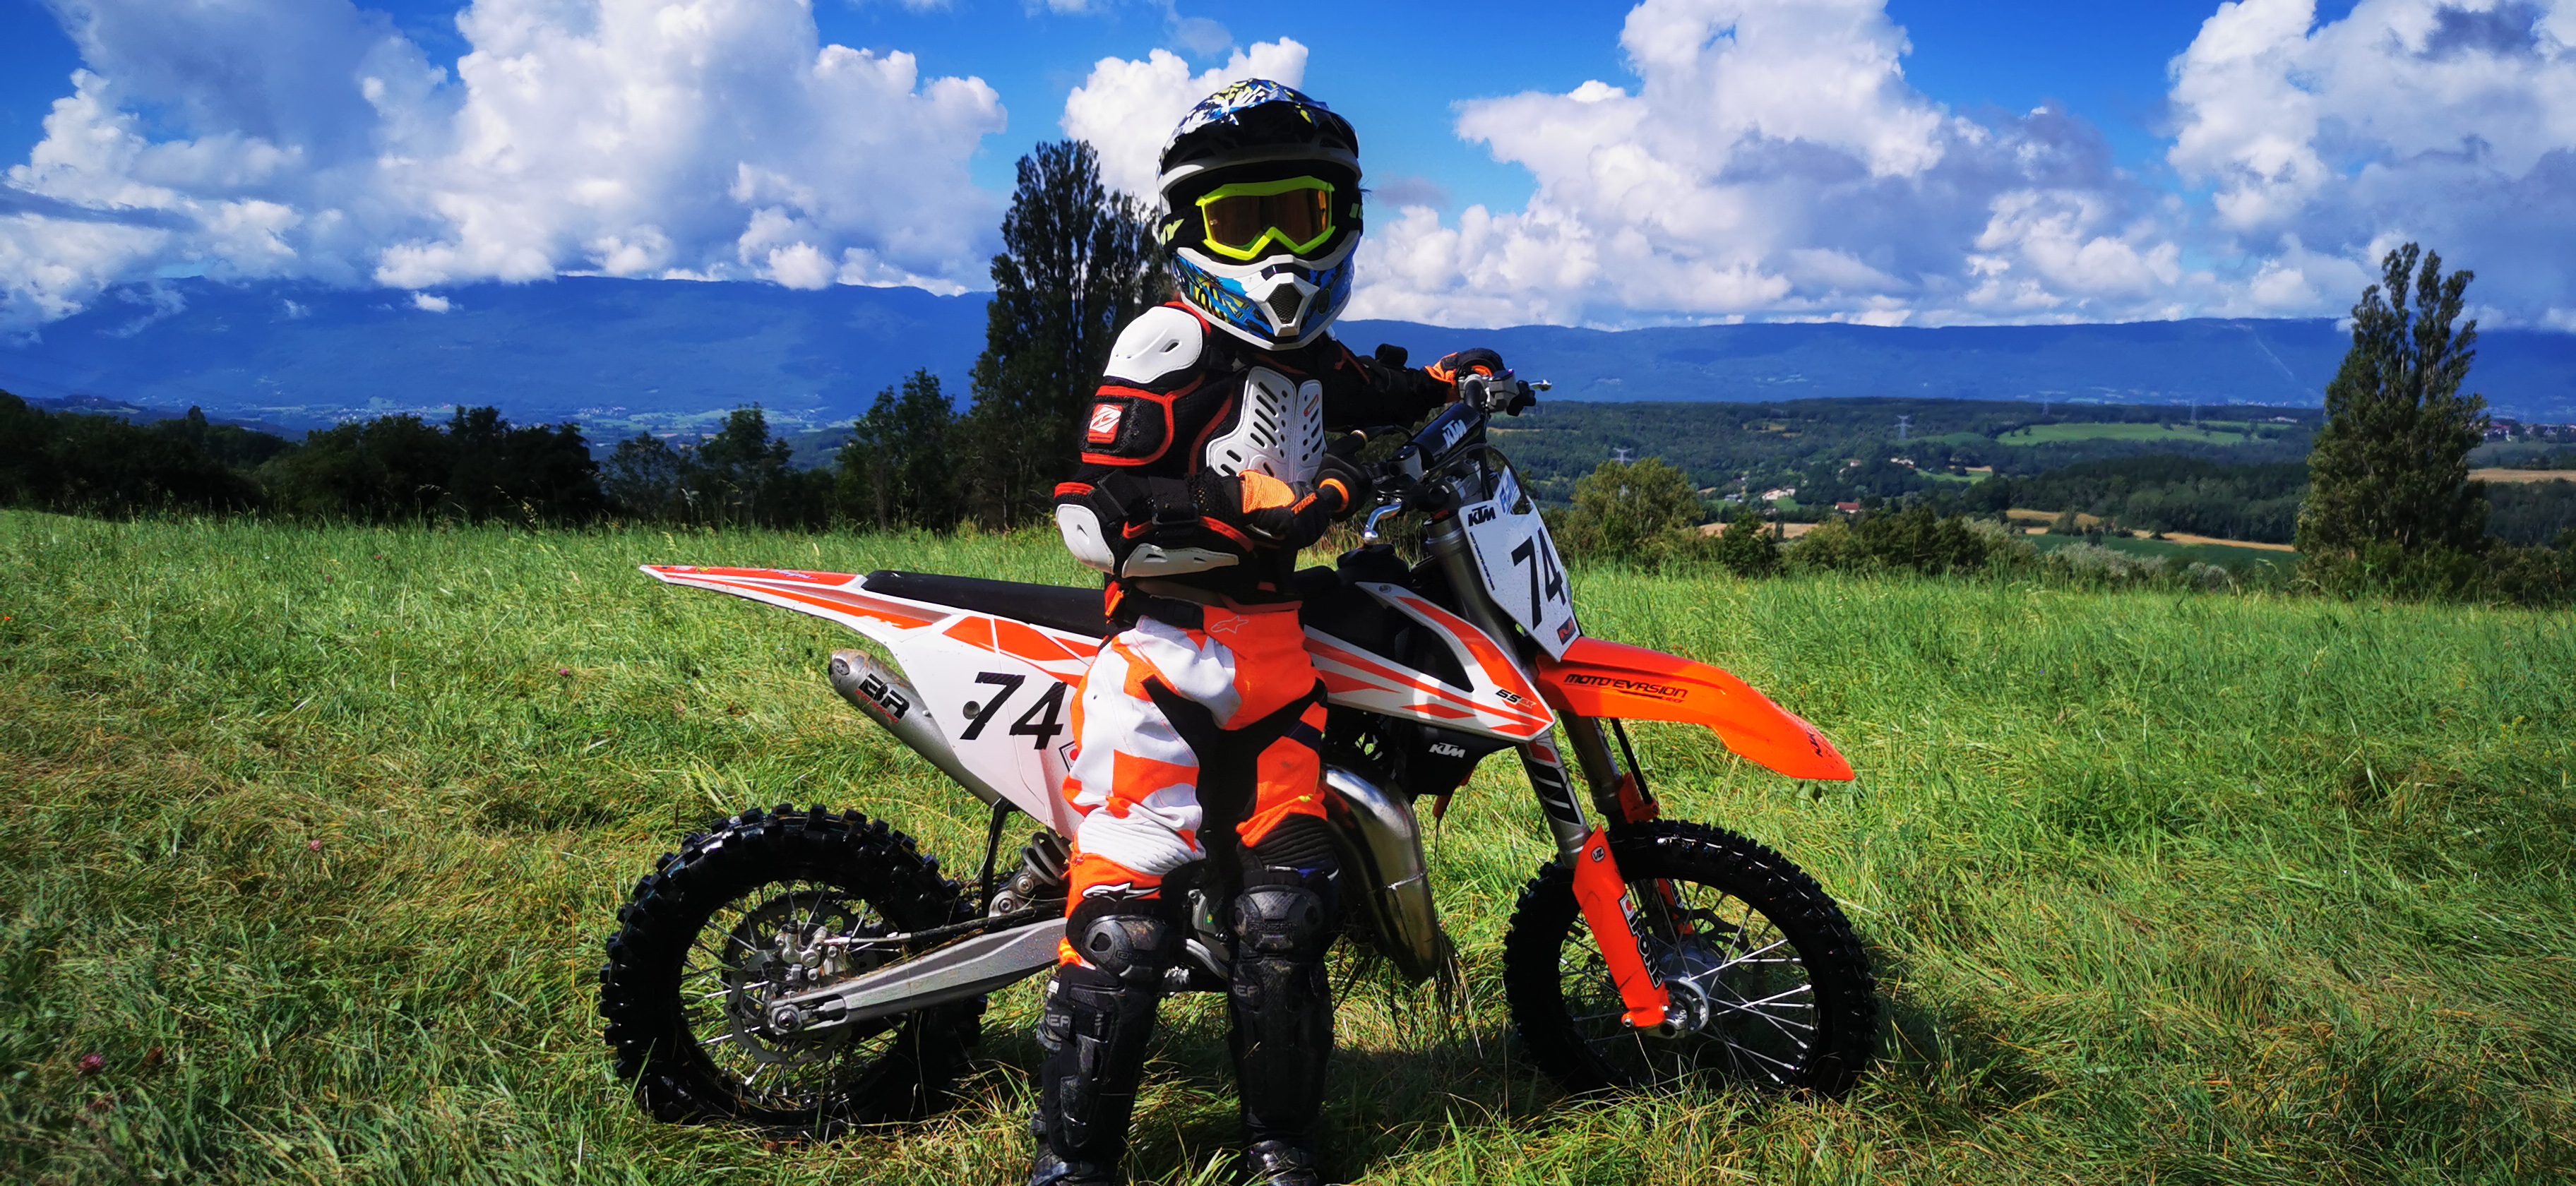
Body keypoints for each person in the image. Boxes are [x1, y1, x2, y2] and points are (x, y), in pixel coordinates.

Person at [1036, 80, 1509, 1186]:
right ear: (1191, 230)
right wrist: (1230, 507)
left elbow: (1373, 388)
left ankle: (1282, 1149)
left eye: (1300, 217)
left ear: (1343, 219)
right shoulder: (1167, 345)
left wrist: (1446, 383)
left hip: (1274, 670)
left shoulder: (1312, 358)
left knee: (1290, 916)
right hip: (1160, 670)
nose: (1279, 253)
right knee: (1122, 931)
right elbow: (1089, 510)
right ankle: (1071, 1164)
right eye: (1244, 223)